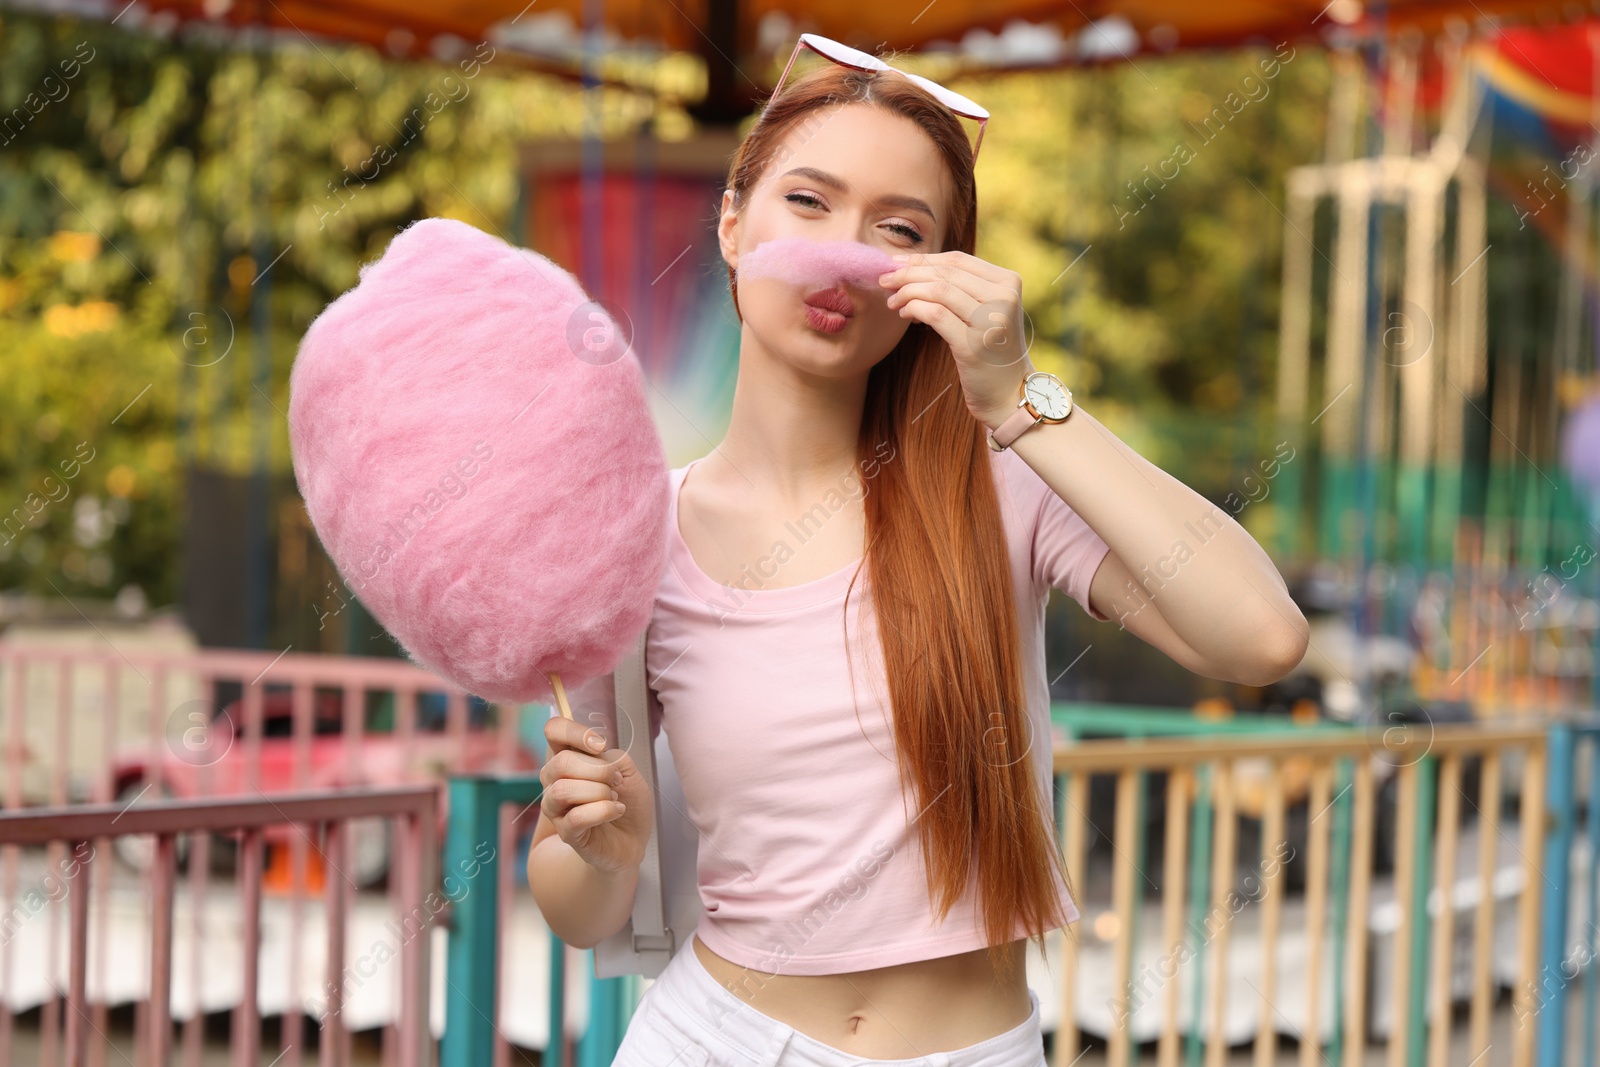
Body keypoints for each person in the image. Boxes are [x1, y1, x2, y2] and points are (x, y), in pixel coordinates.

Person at [527, 39, 1309, 1067]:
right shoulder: (636, 541)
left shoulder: (1003, 482)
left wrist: (1025, 400)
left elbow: (1262, 634)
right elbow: (582, 907)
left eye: (897, 228)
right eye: (807, 202)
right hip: (709, 1037)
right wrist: (600, 850)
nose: (843, 253)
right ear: (731, 221)